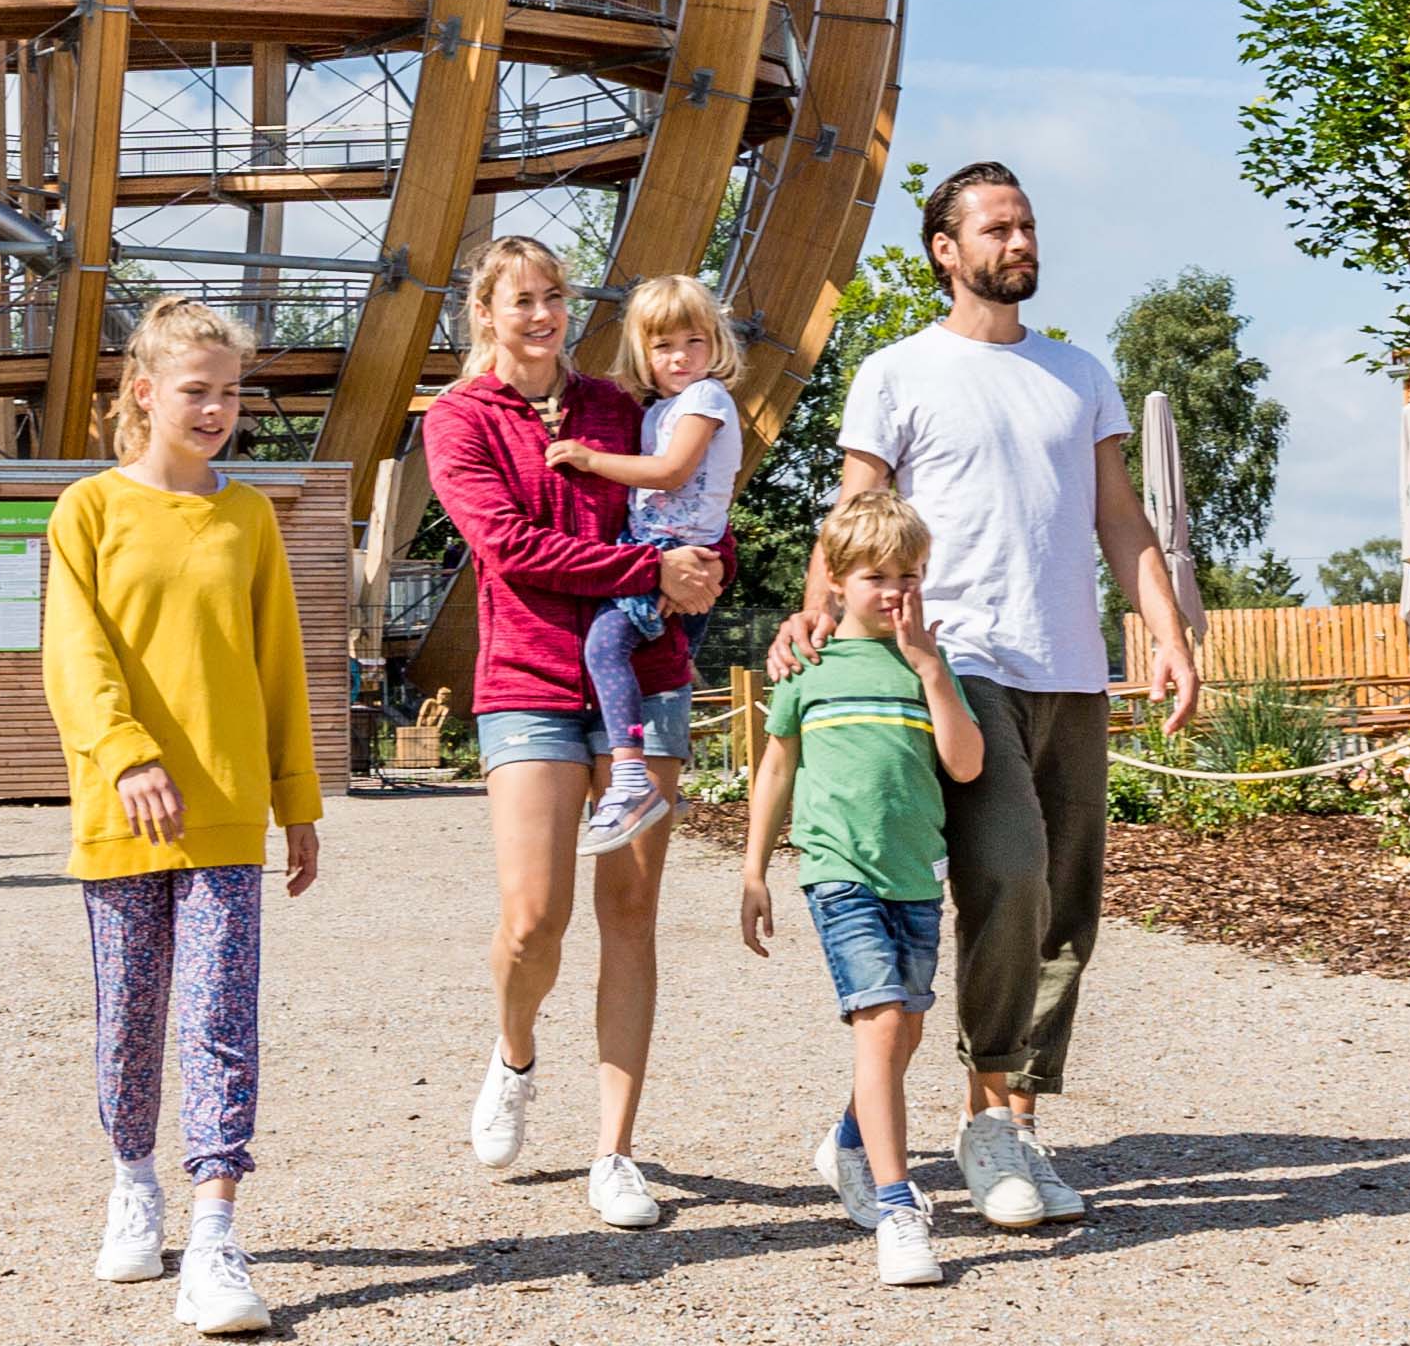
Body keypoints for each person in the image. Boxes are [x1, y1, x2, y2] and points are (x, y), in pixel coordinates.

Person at [783, 163, 1206, 1232]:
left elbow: (1121, 520)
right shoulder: (897, 371)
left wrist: (1166, 633)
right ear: (946, 248)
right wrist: (819, 623)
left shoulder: (1078, 374)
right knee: (1007, 878)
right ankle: (985, 1124)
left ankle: (996, 1119)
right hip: (958, 661)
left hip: (1070, 667)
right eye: (998, 226)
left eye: (1026, 225)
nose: (1019, 240)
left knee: (1066, 906)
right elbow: (853, 522)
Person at [418, 232, 727, 1233]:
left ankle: (615, 1151)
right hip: (529, 677)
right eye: (523, 301)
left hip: (646, 679)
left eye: (555, 296)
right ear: (485, 314)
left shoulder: (616, 407)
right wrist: (649, 574)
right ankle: (514, 1054)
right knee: (532, 918)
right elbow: (505, 546)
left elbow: (684, 498)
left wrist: (704, 561)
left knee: (631, 914)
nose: (544, 314)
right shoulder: (461, 420)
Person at [41, 296, 325, 1340]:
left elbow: (279, 667)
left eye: (231, 392)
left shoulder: (247, 518)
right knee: (131, 1022)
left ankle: (215, 1235)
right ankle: (133, 1181)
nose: (216, 410)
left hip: (223, 811)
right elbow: (74, 654)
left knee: (217, 1019)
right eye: (197, 391)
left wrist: (296, 800)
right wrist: (124, 756)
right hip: (121, 812)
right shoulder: (90, 511)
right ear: (145, 392)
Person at [734, 486, 986, 1290]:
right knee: (880, 1022)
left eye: (910, 573)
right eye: (877, 575)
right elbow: (776, 768)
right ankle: (897, 1205)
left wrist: (930, 670)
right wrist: (753, 868)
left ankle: (848, 1138)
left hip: (916, 875)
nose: (896, 590)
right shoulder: (809, 668)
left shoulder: (927, 667)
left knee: (905, 1032)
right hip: (838, 875)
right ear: (837, 581)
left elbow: (967, 763)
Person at [545, 275, 745, 851]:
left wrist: (589, 459)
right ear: (643, 352)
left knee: (605, 651)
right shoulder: (663, 408)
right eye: (664, 346)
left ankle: (630, 775)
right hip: (658, 550)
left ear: (716, 343)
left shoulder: (706, 399)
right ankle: (657, 785)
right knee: (646, 665)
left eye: (694, 342)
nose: (681, 357)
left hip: (672, 555)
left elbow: (671, 472)